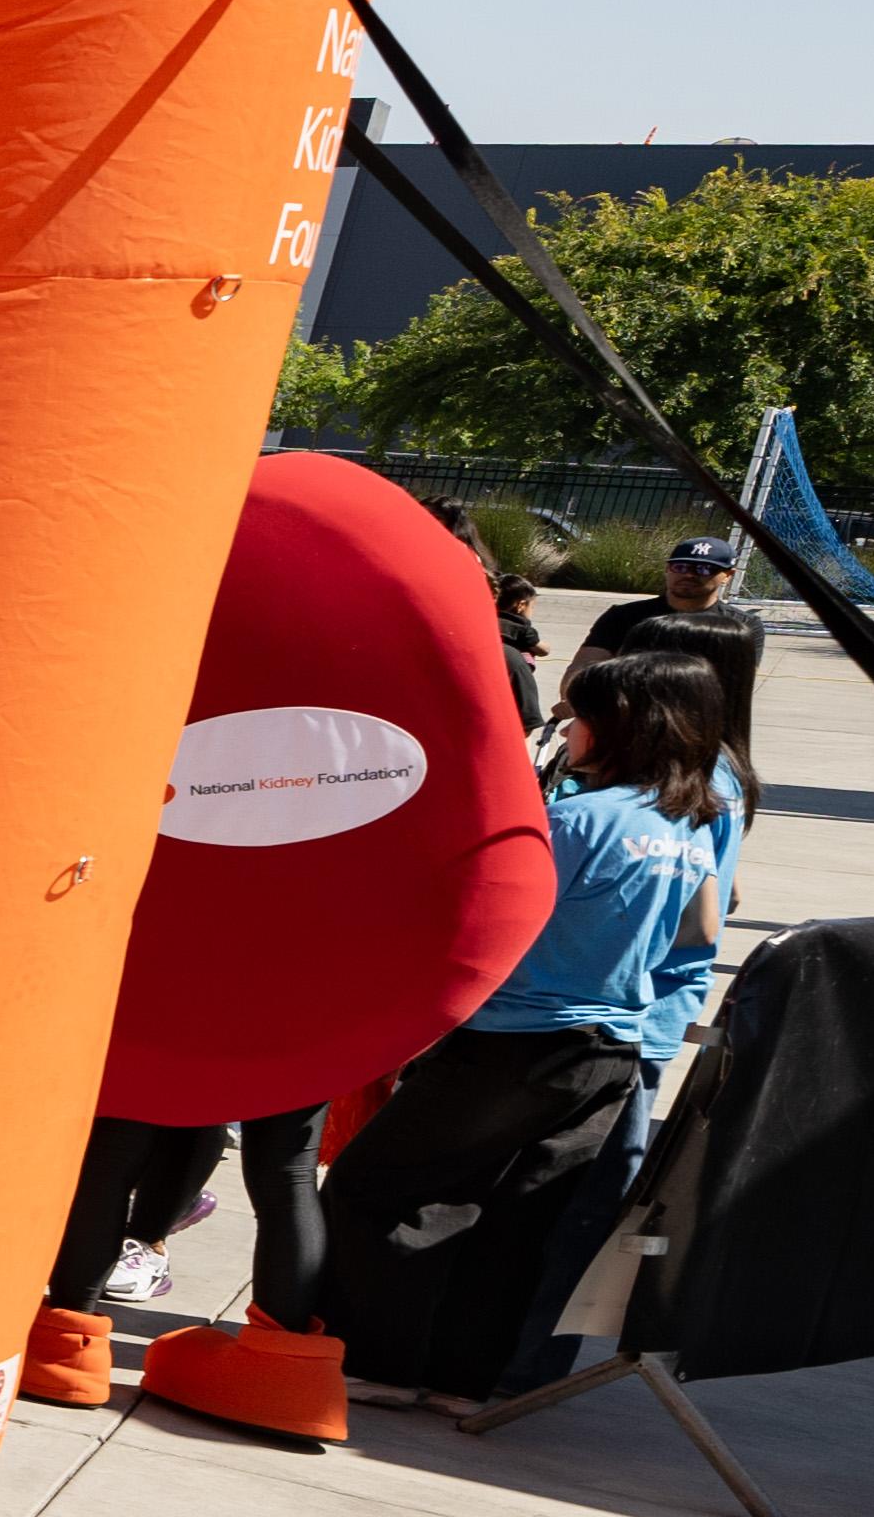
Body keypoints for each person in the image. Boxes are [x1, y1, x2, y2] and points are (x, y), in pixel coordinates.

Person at [307, 637, 745, 1397]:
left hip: (515, 1039)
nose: (567, 730)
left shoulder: (574, 821)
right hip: (609, 1049)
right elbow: (703, 928)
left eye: (580, 718)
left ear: (621, 728)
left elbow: (492, 919)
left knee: (377, 1187)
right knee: (518, 1219)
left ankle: (374, 1363)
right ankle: (463, 1373)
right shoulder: (687, 825)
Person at [568, 529, 763, 807]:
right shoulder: (624, 617)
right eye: (680, 566)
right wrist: (585, 702)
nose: (689, 574)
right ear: (667, 569)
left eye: (704, 568)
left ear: (727, 576)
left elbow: (732, 691)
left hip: (699, 747)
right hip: (622, 737)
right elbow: (581, 670)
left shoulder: (739, 628)